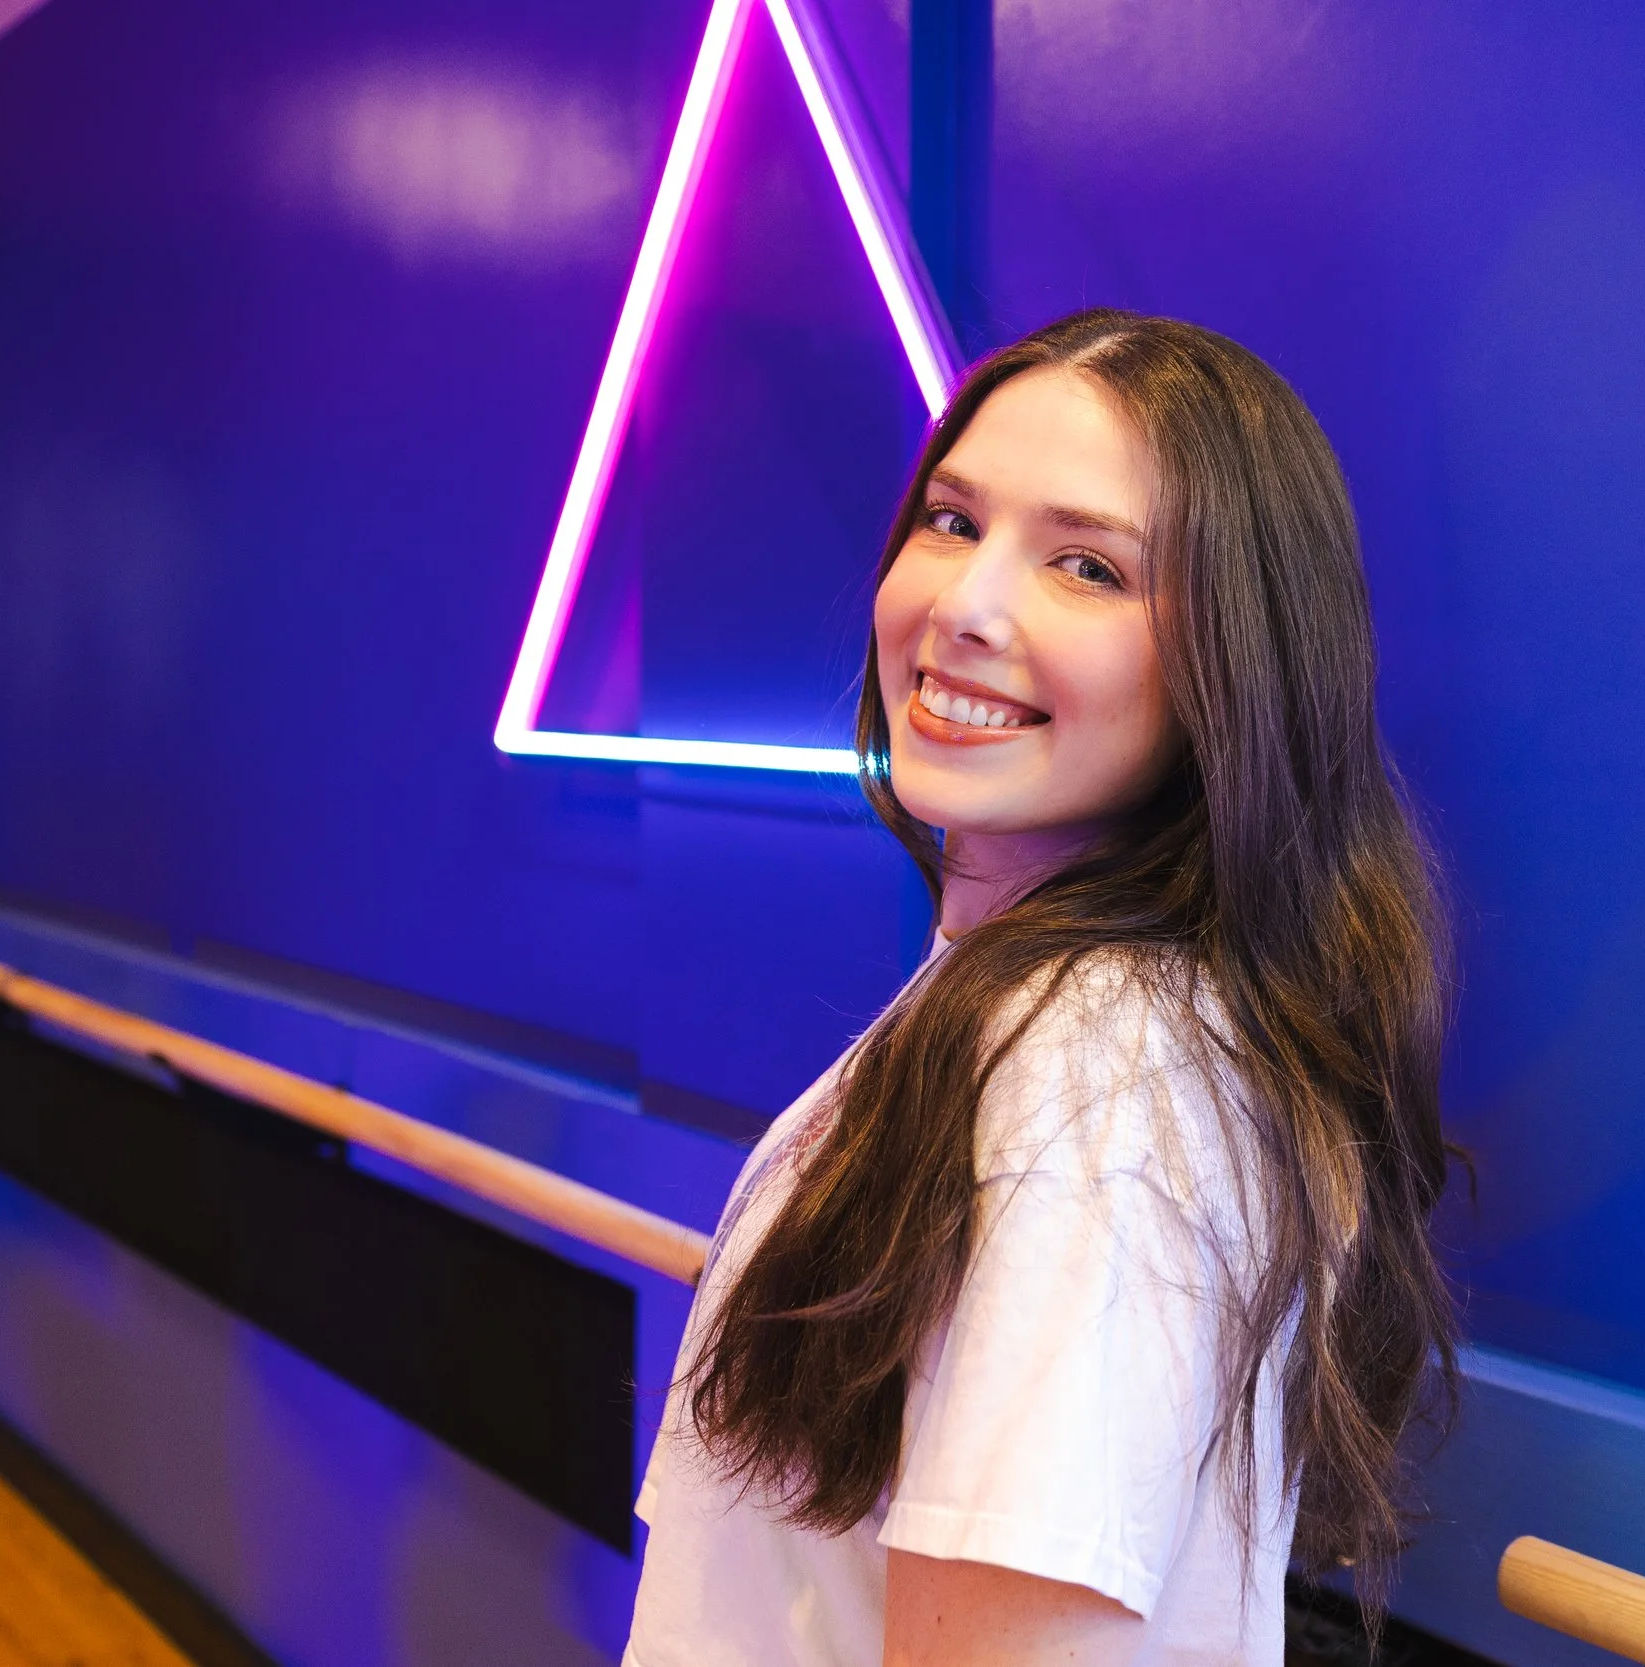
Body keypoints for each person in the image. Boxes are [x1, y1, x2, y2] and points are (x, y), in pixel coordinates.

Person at [622, 309, 1457, 1667]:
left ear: (1233, 666)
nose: (965, 607)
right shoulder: (1031, 1014)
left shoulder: (1096, 1088)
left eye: (1087, 566)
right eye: (952, 522)